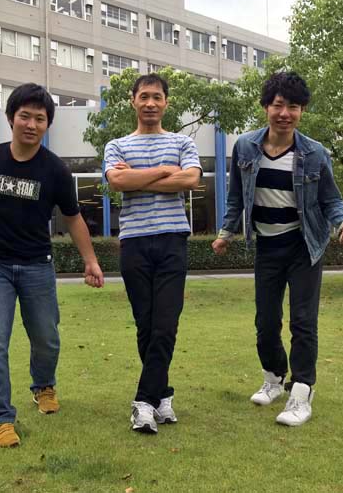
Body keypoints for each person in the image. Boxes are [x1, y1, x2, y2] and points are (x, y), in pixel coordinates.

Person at [0, 83, 104, 447]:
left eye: (40, 118)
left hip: (37, 265)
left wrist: (90, 261)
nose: (31, 124)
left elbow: (73, 218)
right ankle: (0, 418)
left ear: (47, 124)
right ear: (11, 118)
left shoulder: (55, 170)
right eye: (25, 116)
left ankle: (44, 385)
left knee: (46, 338)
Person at [212, 71, 343, 427]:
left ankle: (301, 394)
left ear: (302, 111)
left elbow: (331, 199)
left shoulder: (315, 152)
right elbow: (236, 197)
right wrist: (226, 233)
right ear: (266, 107)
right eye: (278, 105)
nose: (285, 113)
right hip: (267, 246)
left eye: (293, 107)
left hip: (304, 246)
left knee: (303, 322)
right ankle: (274, 377)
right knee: (265, 322)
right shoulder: (245, 147)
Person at [104, 74, 201, 434]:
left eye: (157, 97)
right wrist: (162, 171)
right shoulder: (116, 145)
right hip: (134, 242)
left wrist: (138, 177)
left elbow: (190, 180)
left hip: (173, 240)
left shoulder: (182, 142)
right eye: (143, 96)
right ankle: (162, 396)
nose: (150, 103)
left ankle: (144, 402)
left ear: (166, 103)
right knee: (146, 325)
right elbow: (117, 181)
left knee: (166, 324)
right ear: (133, 100)